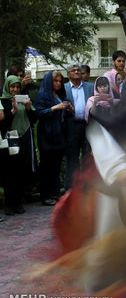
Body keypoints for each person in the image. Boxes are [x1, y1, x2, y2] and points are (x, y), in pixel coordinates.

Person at [0, 76, 37, 215]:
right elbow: (2, 123)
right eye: (12, 87)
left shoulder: (23, 99)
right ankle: (9, 205)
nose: (15, 90)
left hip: (23, 140)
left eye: (17, 87)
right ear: (7, 87)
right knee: (9, 173)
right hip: (8, 141)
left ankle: (18, 203)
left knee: (20, 173)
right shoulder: (3, 101)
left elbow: (33, 119)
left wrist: (28, 108)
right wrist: (13, 111)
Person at [34, 70, 72, 205]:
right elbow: (38, 113)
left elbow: (63, 116)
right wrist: (55, 107)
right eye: (55, 81)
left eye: (60, 81)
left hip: (59, 135)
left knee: (56, 166)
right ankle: (45, 196)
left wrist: (68, 109)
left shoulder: (61, 95)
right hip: (47, 135)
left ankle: (55, 193)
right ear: (49, 82)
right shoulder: (42, 96)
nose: (58, 83)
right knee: (46, 167)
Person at [64, 63, 94, 190]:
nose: (77, 72)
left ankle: (88, 188)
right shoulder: (64, 88)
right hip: (71, 126)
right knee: (72, 158)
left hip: (87, 126)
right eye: (73, 70)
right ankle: (72, 188)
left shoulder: (90, 87)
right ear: (68, 74)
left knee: (87, 157)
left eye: (78, 70)